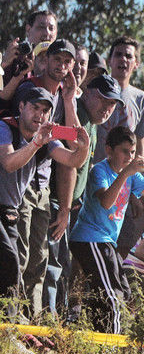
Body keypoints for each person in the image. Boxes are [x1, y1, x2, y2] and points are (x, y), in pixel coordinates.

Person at [68, 126, 144, 333]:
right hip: (89, 238)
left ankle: (94, 335)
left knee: (123, 290)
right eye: (124, 151)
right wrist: (126, 173)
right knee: (113, 294)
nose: (129, 157)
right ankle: (111, 344)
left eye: (132, 152)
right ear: (109, 150)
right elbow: (106, 202)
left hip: (106, 241)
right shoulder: (99, 170)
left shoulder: (132, 175)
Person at [44, 74, 123, 315]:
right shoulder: (76, 112)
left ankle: (58, 319)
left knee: (63, 266)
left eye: (112, 103)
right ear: (86, 91)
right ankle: (47, 321)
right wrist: (64, 208)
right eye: (103, 99)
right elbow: (67, 162)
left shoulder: (91, 121)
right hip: (56, 203)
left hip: (70, 205)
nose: (107, 108)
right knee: (52, 265)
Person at [0, 87, 89, 300]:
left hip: (10, 210)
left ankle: (12, 318)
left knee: (15, 266)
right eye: (35, 108)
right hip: (3, 208)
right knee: (12, 263)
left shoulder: (44, 135)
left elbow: (72, 161)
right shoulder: (4, 127)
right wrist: (36, 143)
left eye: (45, 111)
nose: (39, 115)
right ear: (21, 107)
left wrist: (84, 148)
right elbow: (9, 163)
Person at [12, 39, 81, 316]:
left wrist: (69, 99)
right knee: (19, 255)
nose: (61, 66)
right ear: (45, 59)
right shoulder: (28, 88)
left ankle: (34, 320)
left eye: (67, 62)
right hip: (20, 182)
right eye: (57, 59)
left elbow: (75, 146)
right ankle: (12, 318)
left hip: (44, 186)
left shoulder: (65, 96)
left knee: (40, 258)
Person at [96, 36, 144, 257]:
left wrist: (136, 192)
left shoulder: (140, 99)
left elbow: (140, 149)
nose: (123, 59)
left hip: (124, 187)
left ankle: (113, 281)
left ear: (136, 63)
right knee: (85, 243)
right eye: (118, 54)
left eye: (129, 56)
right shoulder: (96, 90)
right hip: (96, 180)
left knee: (122, 246)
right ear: (110, 59)